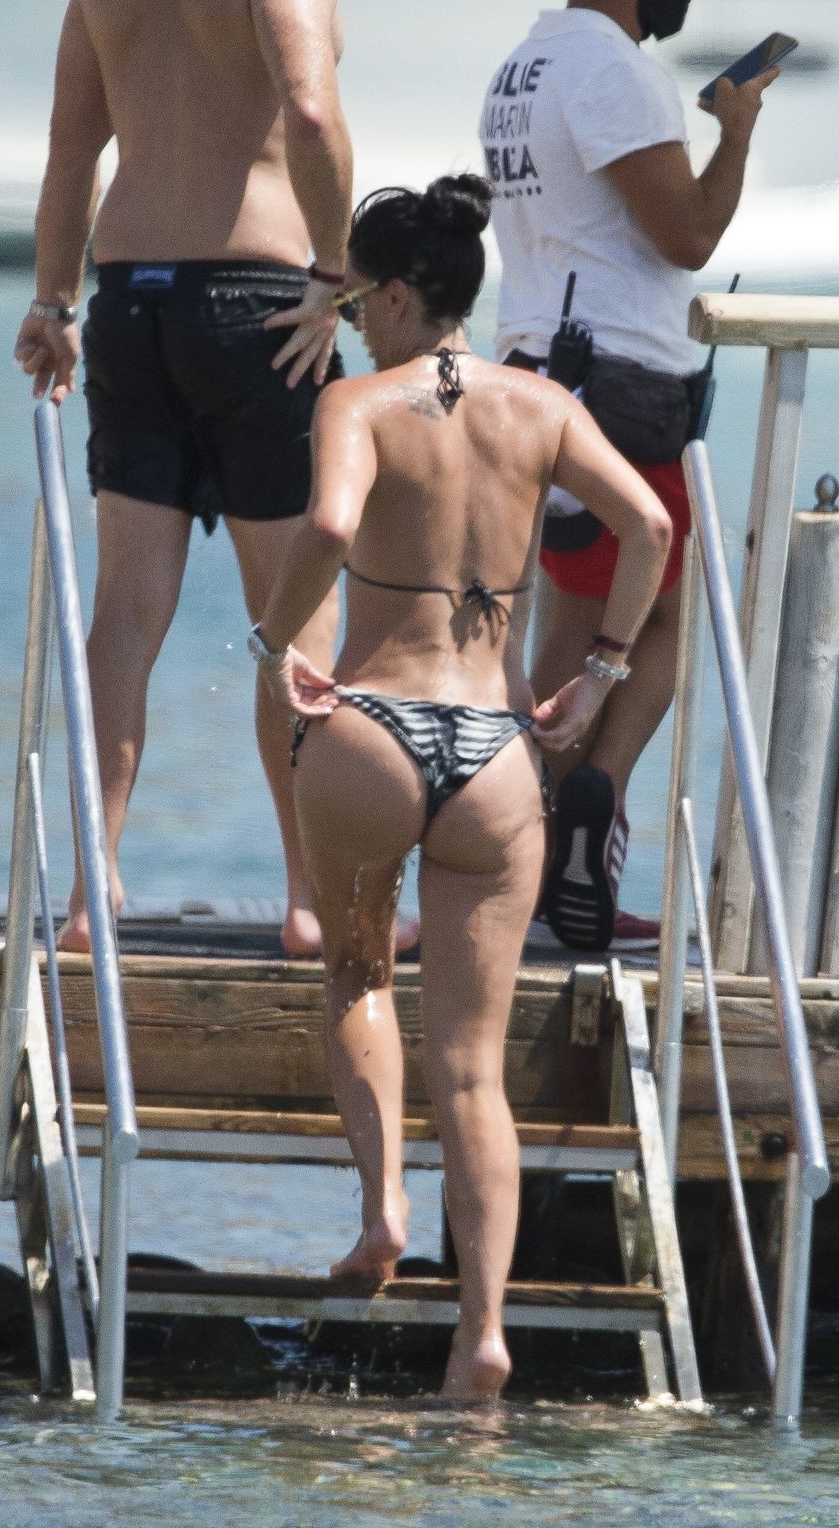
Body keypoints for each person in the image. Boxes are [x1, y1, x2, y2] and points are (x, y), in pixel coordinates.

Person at [251, 175, 671, 1397]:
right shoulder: (541, 405)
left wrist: (273, 644)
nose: (351, 325)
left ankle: (382, 1208)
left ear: (393, 296)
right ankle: (480, 1336)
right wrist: (598, 673)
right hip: (493, 753)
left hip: (373, 733)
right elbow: (648, 526)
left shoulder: (358, 401)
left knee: (358, 975)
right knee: (474, 1066)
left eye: (356, 303)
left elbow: (331, 531)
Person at [14, 0, 362, 959]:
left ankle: (90, 884)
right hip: (257, 306)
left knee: (125, 610)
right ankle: (311, 897)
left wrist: (52, 305)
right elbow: (310, 113)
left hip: (130, 302)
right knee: (292, 616)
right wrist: (337, 276)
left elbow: (71, 154)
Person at [480, 0, 777, 951]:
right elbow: (686, 234)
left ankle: (521, 863)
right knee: (664, 616)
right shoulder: (611, 68)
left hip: (533, 366)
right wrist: (734, 134)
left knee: (568, 624)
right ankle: (591, 803)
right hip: (616, 379)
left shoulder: (522, 65)